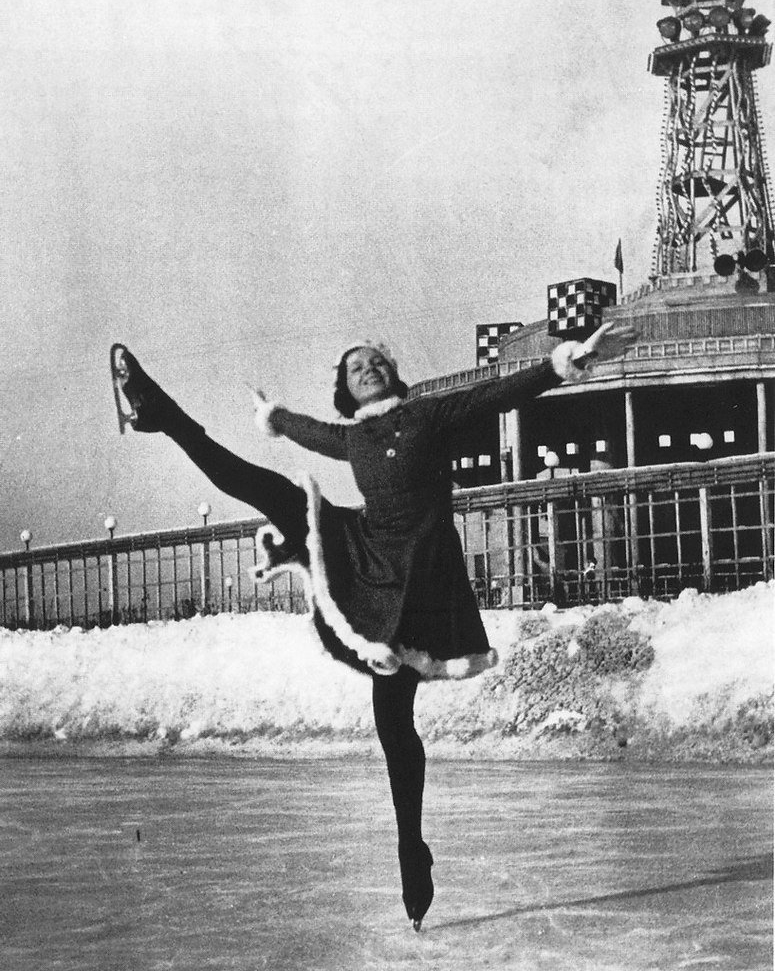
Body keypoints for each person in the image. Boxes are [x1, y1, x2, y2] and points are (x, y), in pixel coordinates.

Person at [110, 320, 636, 929]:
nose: (369, 369)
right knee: (264, 487)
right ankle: (164, 414)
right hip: (368, 558)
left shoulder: (428, 415)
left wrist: (568, 361)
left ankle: (410, 844)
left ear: (393, 374)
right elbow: (299, 429)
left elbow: (496, 395)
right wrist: (274, 417)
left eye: (376, 362)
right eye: (356, 367)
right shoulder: (350, 437)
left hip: (422, 575)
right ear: (346, 387)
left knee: (393, 716)